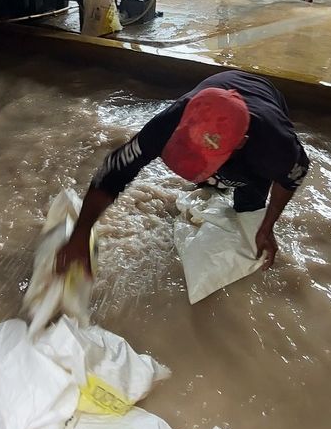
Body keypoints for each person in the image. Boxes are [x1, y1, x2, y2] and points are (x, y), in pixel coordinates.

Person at [56, 70, 309, 275]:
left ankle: (236, 193)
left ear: (241, 142)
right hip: (216, 89)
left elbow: (291, 178)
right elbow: (115, 168)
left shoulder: (275, 147)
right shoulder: (172, 120)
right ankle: (213, 182)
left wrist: (267, 225)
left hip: (265, 103)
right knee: (212, 183)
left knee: (249, 204)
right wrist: (80, 234)